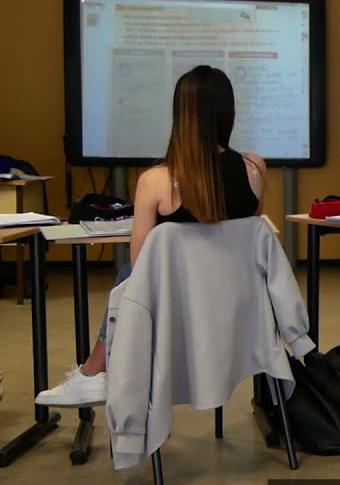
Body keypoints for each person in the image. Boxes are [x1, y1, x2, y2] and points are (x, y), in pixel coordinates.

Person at [37, 66, 266, 407]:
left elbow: (142, 266)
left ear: (181, 114)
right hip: (238, 305)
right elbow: (248, 241)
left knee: (127, 276)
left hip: (177, 311)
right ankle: (95, 372)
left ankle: (95, 372)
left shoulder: (156, 180)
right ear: (228, 111)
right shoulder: (255, 168)